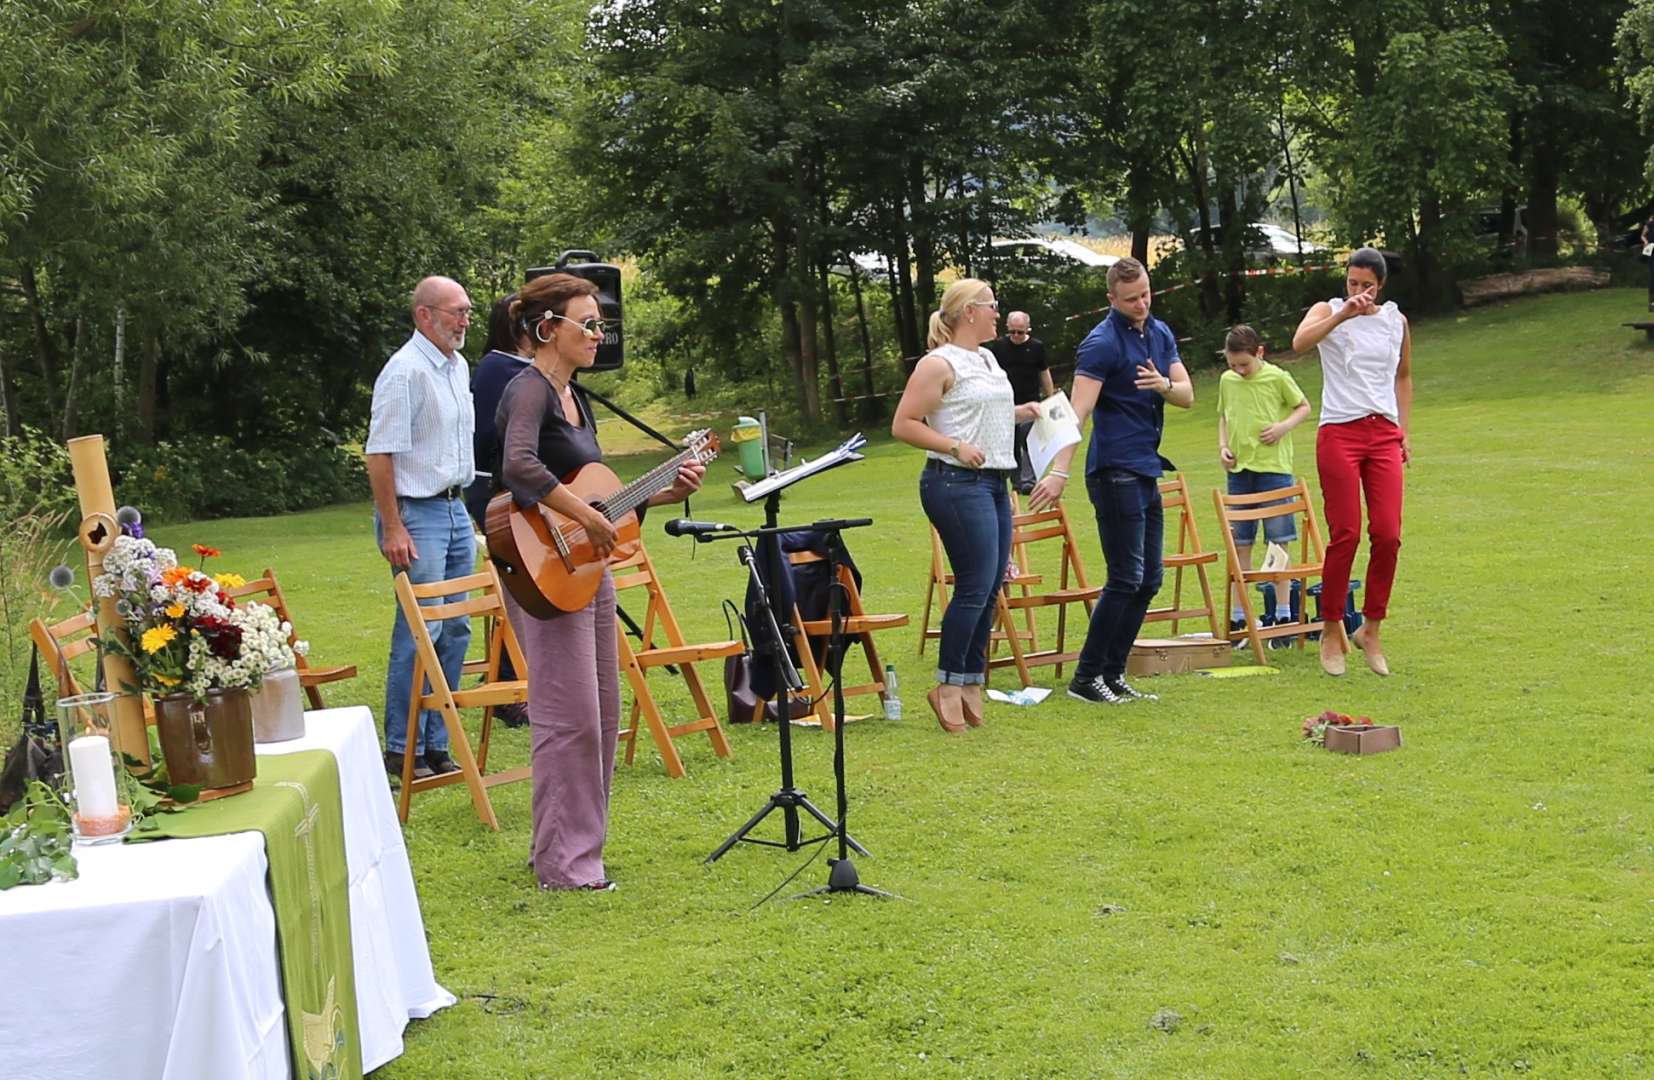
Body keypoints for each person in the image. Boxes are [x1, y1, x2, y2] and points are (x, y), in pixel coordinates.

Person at [495, 273, 703, 891]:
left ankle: (570, 847)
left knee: (604, 710)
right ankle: (565, 867)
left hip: (585, 564)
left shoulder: (577, 398)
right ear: (546, 329)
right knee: (569, 716)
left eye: (600, 323)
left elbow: (601, 500)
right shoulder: (527, 387)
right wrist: (582, 513)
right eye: (586, 323)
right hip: (540, 566)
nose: (597, 333)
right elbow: (518, 465)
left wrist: (664, 492)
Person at [1032, 257, 1193, 705]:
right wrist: (1059, 470)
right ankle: (1087, 678)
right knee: (1125, 577)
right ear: (1111, 299)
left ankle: (1114, 672)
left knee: (1149, 579)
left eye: (1145, 294)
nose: (1141, 304)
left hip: (1146, 466)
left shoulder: (1158, 332)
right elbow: (1076, 412)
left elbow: (1187, 395)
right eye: (1130, 299)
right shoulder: (1100, 343)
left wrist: (1162, 384)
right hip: (1113, 469)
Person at [892, 279, 1040, 733]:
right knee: (974, 585)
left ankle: (972, 680)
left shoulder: (988, 358)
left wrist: (1022, 411)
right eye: (992, 306)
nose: (999, 313)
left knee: (991, 584)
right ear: (969, 312)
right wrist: (954, 446)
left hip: (995, 481)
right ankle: (948, 685)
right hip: (954, 483)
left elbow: (983, 414)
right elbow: (904, 424)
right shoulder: (937, 363)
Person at [365, 276, 476, 783]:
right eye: (455, 311)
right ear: (424, 316)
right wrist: (393, 525)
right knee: (420, 627)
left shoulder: (458, 368)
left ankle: (436, 741)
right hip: (416, 513)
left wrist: (466, 514)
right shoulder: (404, 372)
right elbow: (380, 453)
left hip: (455, 509)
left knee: (457, 626)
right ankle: (400, 746)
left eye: (468, 311)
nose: (465, 320)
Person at [1291, 246, 1413, 677]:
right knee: (1345, 533)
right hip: (1339, 432)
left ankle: (1371, 628)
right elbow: (1299, 343)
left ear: (1381, 286)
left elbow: (1402, 376)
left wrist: (1404, 431)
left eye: (1367, 286)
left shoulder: (1395, 322)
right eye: (1352, 284)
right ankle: (1331, 629)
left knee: (1388, 533)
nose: (1359, 292)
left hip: (1383, 434)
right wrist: (1342, 314)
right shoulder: (1328, 311)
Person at [463, 294, 535, 727]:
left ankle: (515, 677)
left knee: (526, 584)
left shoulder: (523, 369)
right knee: (519, 584)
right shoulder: (497, 368)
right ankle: (511, 684)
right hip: (494, 487)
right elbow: (493, 435)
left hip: (520, 487)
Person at [1216, 324, 1312, 639]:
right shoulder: (1227, 381)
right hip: (1240, 472)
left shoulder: (1277, 377)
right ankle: (1240, 617)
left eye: (1244, 364)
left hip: (1274, 469)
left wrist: (1283, 427)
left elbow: (1304, 406)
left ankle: (1282, 616)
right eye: (1233, 365)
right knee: (1240, 542)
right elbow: (1224, 416)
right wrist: (1223, 446)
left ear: (1260, 352)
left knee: (1278, 540)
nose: (1239, 370)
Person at [986, 311, 1054, 494]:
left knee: (1030, 442)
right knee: (1012, 445)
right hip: (1007, 406)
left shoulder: (1036, 347)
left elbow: (1044, 372)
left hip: (1031, 403)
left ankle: (1028, 481)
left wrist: (1051, 395)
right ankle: (1017, 482)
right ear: (1008, 329)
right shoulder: (998, 347)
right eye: (1013, 332)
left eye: (1020, 332)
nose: (1016, 336)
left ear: (1028, 330)